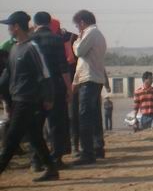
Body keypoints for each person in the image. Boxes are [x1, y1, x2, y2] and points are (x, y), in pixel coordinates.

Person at [0, 11, 59, 182]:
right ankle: (51, 169)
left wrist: (49, 98)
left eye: (10, 26)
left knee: (11, 138)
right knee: (35, 136)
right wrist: (6, 99)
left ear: (17, 26)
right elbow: (7, 77)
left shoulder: (32, 48)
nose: (8, 29)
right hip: (17, 99)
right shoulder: (14, 49)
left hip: (29, 100)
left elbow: (45, 75)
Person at [30, 12, 72, 169]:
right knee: (56, 124)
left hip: (35, 88)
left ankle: (36, 160)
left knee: (36, 126)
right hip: (55, 86)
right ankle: (56, 159)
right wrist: (69, 88)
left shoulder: (30, 40)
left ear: (35, 24)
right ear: (49, 23)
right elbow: (63, 66)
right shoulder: (57, 39)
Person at [71, 10, 107, 165]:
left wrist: (75, 41)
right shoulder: (97, 34)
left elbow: (78, 52)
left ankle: (87, 152)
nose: (78, 28)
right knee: (94, 115)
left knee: (85, 116)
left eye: (77, 25)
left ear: (82, 22)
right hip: (94, 78)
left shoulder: (90, 33)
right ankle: (97, 148)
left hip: (90, 79)